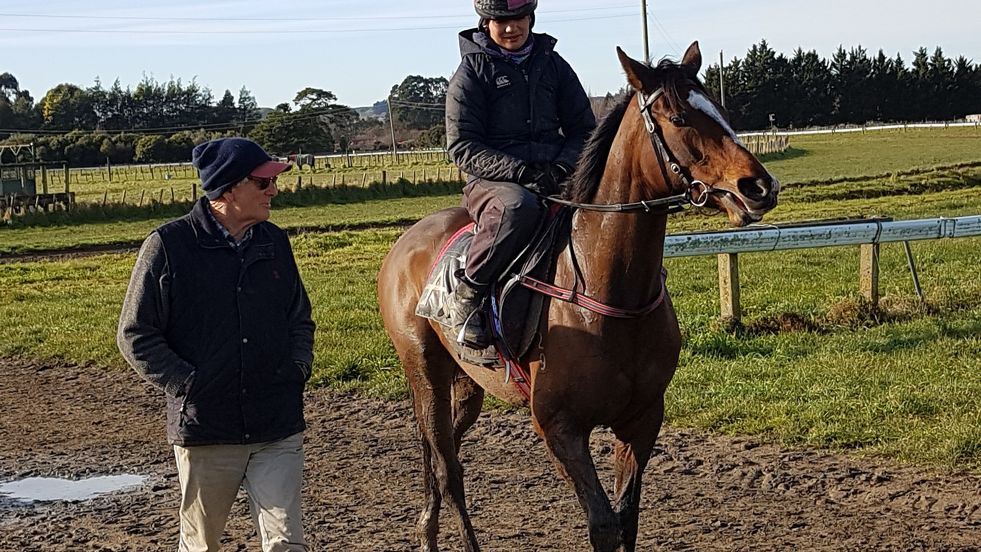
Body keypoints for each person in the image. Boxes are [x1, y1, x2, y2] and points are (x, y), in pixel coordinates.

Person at [117, 137, 315, 552]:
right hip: (207, 431)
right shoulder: (168, 246)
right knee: (202, 546)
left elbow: (299, 319)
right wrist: (189, 384)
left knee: (286, 543)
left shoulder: (274, 243)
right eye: (263, 183)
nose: (273, 191)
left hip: (276, 426)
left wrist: (296, 369)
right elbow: (135, 334)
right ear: (228, 189)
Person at [445, 0, 596, 349]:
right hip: (494, 181)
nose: (511, 28)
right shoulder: (471, 72)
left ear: (530, 18)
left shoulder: (555, 66)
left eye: (517, 19)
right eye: (501, 21)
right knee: (519, 207)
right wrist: (520, 172)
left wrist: (562, 166)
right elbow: (463, 146)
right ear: (486, 24)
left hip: (555, 172)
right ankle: (470, 293)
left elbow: (584, 129)